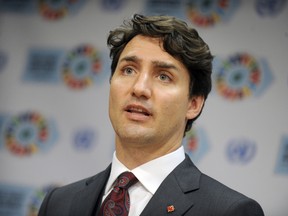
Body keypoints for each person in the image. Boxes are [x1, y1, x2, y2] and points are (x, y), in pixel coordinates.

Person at [38, 14, 264, 216]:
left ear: (193, 104)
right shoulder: (58, 203)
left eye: (163, 76)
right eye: (128, 70)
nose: (139, 88)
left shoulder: (230, 211)